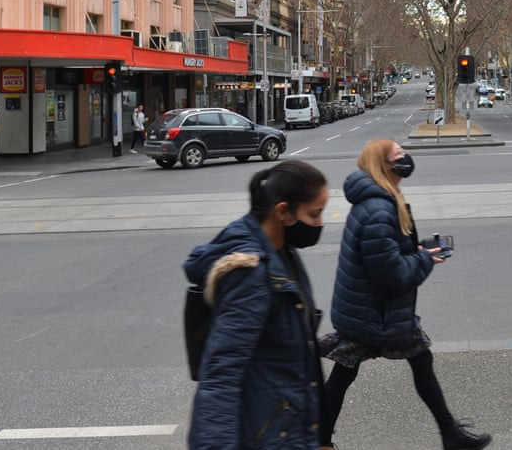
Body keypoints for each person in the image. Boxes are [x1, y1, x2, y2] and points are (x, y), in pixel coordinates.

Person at [318, 139, 492, 450]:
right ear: (384, 166)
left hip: (369, 310)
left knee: (351, 370)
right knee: (411, 360)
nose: (406, 158)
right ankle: (450, 434)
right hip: (376, 315)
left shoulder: (380, 199)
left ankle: (320, 439)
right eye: (398, 155)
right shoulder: (378, 209)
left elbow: (386, 255)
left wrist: (418, 250)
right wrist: (424, 259)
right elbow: (392, 273)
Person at [185, 159, 329, 450]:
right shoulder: (252, 274)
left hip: (285, 429)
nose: (319, 223)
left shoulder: (281, 251)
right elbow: (222, 372)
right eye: (314, 214)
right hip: (269, 437)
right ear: (282, 211)